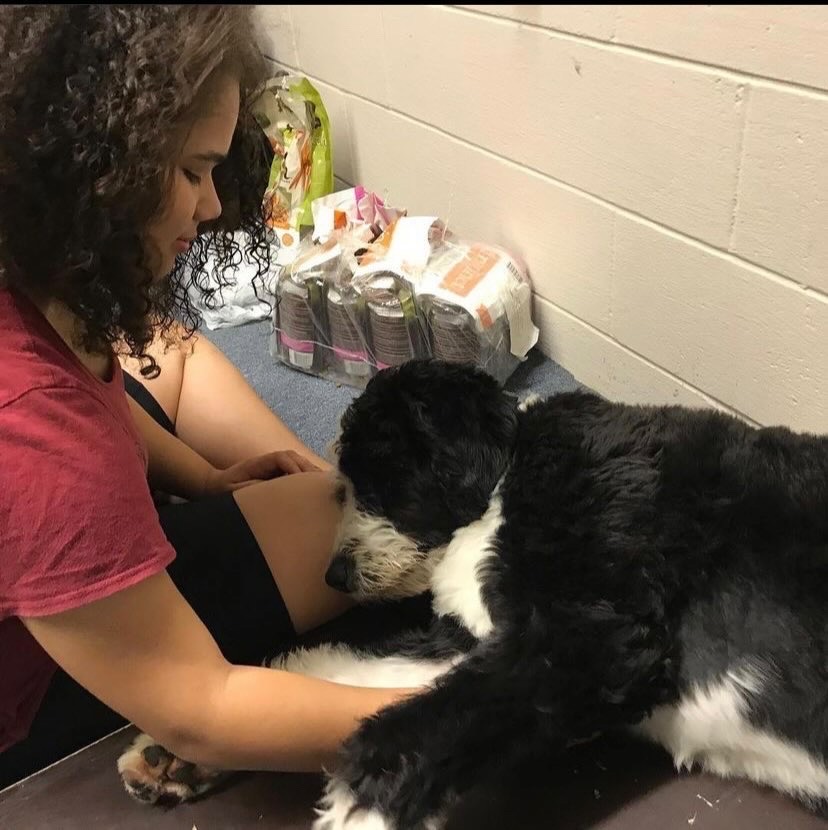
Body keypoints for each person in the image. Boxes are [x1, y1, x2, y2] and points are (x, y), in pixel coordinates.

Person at [0, 5, 418, 791]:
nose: (212, 206)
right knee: (347, 513)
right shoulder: (34, 436)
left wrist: (203, 478)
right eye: (193, 172)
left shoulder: (30, 279)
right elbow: (205, 714)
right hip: (29, 699)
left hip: (60, 498)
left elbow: (100, 384)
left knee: (168, 346)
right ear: (96, 168)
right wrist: (485, 712)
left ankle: (272, 489)